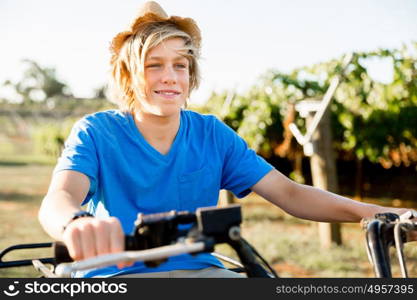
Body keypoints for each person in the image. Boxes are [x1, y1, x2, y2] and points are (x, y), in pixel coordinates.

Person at [38, 1, 416, 278]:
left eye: (180, 65)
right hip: (115, 275)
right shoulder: (97, 132)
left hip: (202, 274)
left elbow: (290, 194)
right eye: (154, 65)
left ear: (191, 76)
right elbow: (59, 198)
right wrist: (75, 223)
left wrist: (384, 215)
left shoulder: (211, 134)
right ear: (128, 76)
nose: (169, 76)